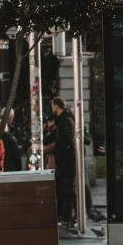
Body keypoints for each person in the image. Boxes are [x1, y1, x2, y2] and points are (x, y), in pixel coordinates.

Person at [51, 97, 76, 226]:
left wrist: (58, 152)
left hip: (66, 162)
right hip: (64, 162)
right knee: (63, 189)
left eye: (52, 107)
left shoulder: (65, 121)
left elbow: (67, 141)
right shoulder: (62, 121)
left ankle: (68, 217)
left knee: (67, 190)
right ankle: (66, 216)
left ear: (56, 106)